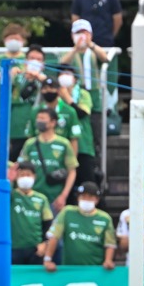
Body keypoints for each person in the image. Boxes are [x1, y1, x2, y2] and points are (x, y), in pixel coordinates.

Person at [0, 42, 47, 161]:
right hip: (15, 126)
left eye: (38, 59)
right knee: (12, 160)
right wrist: (9, 76)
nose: (34, 61)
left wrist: (40, 78)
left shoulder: (46, 81)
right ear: (25, 61)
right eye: (31, 58)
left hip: (37, 126)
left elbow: (55, 92)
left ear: (43, 64)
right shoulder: (16, 76)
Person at [43, 181, 116, 269]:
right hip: (70, 268)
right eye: (83, 197)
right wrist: (48, 259)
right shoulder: (67, 212)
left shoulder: (105, 218)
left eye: (90, 197)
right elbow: (54, 236)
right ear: (78, 198)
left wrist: (108, 260)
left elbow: (110, 243)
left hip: (96, 269)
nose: (86, 200)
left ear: (97, 199)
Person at [60, 20, 109, 150]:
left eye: (84, 33)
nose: (81, 36)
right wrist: (75, 48)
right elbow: (62, 64)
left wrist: (90, 44)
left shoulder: (93, 52)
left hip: (93, 96)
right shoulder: (70, 53)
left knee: (95, 131)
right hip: (76, 95)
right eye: (78, 33)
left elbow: (105, 58)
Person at [18, 108, 78, 212]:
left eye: (43, 118)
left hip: (55, 200)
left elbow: (72, 171)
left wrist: (63, 196)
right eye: (38, 118)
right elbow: (21, 168)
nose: (39, 121)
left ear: (53, 122)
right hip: (32, 197)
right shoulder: (30, 144)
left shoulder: (63, 143)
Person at [57, 65, 96, 194]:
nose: (64, 76)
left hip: (83, 145)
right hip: (61, 146)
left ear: (75, 79)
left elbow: (82, 113)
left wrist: (67, 97)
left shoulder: (83, 94)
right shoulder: (55, 95)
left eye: (68, 73)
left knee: (88, 182)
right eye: (61, 73)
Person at [10, 162, 53, 265]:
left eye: (28, 175)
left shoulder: (41, 199)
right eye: (21, 175)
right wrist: (9, 180)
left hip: (35, 248)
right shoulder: (11, 196)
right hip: (13, 247)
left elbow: (48, 223)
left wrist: (44, 243)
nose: (25, 178)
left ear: (34, 176)